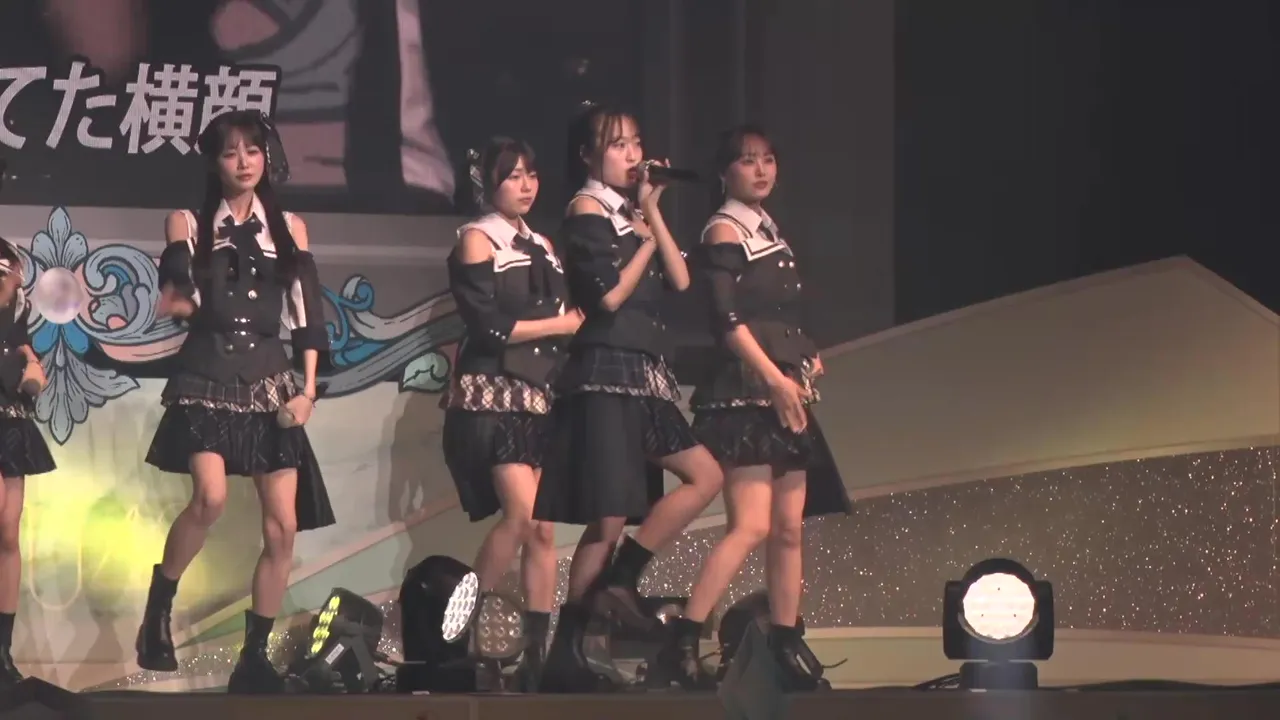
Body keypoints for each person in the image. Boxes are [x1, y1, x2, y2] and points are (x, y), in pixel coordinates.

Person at [533, 103, 732, 692]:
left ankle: (622, 579)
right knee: (609, 515)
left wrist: (652, 212)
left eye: (635, 142)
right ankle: (567, 652)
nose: (632, 154)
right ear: (587, 155)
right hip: (606, 369)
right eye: (617, 144)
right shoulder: (586, 208)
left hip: (645, 369)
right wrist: (642, 239)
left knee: (704, 476)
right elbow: (607, 299)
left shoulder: (630, 210)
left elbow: (682, 279)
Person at [136, 109, 335, 694]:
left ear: (267, 157)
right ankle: (158, 607)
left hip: (271, 380)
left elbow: (307, 314)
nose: (244, 161)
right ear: (214, 163)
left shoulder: (290, 228)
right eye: (230, 152)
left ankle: (254, 657)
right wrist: (178, 296)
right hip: (206, 377)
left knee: (283, 527)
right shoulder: (188, 221)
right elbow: (177, 280)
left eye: (253, 150)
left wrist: (308, 390)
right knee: (211, 498)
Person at [687, 125, 851, 691]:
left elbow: (780, 314)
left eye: (768, 160)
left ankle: (785, 640)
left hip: (785, 387)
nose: (761, 170)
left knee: (787, 530)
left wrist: (804, 355)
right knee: (752, 525)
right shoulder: (724, 228)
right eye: (747, 161)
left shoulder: (769, 230)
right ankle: (684, 638)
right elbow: (726, 321)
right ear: (724, 172)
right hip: (746, 390)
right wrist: (772, 377)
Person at [441, 136, 581, 691]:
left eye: (531, 174)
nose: (526, 185)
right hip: (493, 392)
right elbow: (488, 327)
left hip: (539, 393)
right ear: (488, 184)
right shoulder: (478, 238)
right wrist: (560, 326)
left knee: (543, 528)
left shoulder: (541, 242)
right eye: (513, 176)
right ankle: (457, 634)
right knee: (521, 516)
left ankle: (535, 658)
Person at [0, 242, 54, 688]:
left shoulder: (18, 316)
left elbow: (27, 355)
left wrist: (33, 368)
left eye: (12, 273)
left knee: (8, 532)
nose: (10, 279)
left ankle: (2, 652)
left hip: (11, 419)